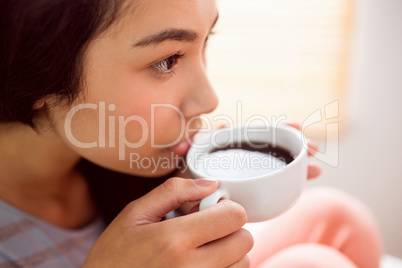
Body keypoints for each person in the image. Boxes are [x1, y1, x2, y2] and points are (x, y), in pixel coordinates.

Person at [0, 0, 382, 267]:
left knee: (339, 216)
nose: (210, 99)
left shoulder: (105, 158)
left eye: (205, 42)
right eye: (167, 60)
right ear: (36, 70)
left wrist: (191, 191)